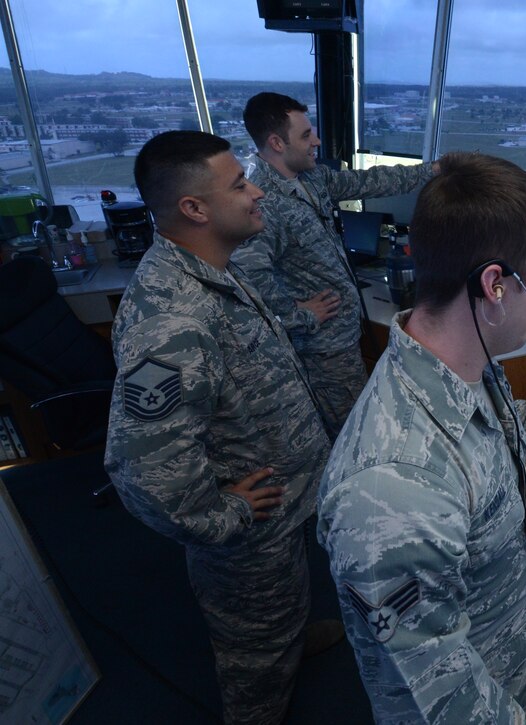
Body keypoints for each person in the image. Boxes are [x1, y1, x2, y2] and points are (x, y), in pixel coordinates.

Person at [317, 152, 526, 723]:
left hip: (518, 656)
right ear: (495, 285)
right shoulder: (392, 495)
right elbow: (444, 706)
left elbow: (497, 430)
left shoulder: (454, 360)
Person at [105, 130, 335, 725]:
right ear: (194, 208)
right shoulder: (172, 320)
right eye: (239, 185)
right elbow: (145, 475)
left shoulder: (209, 270)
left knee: (283, 607)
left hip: (278, 506)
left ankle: (290, 637)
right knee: (253, 649)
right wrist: (224, 516)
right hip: (246, 532)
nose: (257, 191)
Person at [232, 92, 435, 436]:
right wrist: (298, 314)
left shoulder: (310, 178)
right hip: (320, 349)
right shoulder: (262, 201)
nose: (316, 141)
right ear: (277, 143)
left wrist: (434, 170)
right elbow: (245, 276)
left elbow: (370, 181)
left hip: (344, 335)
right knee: (353, 434)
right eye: (305, 135)